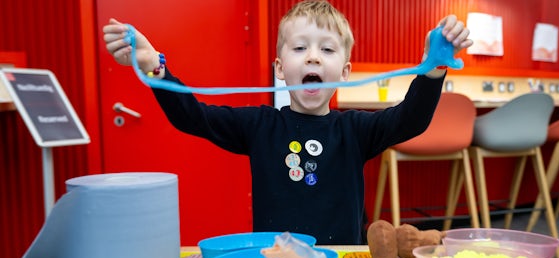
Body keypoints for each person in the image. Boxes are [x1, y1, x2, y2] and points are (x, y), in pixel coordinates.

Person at [102, 0, 472, 245]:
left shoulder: (355, 130)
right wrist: (155, 66)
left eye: (326, 49)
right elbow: (192, 116)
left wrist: (434, 69)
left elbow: (411, 119)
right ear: (281, 69)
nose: (312, 58)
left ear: (343, 72)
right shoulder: (260, 126)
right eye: (299, 48)